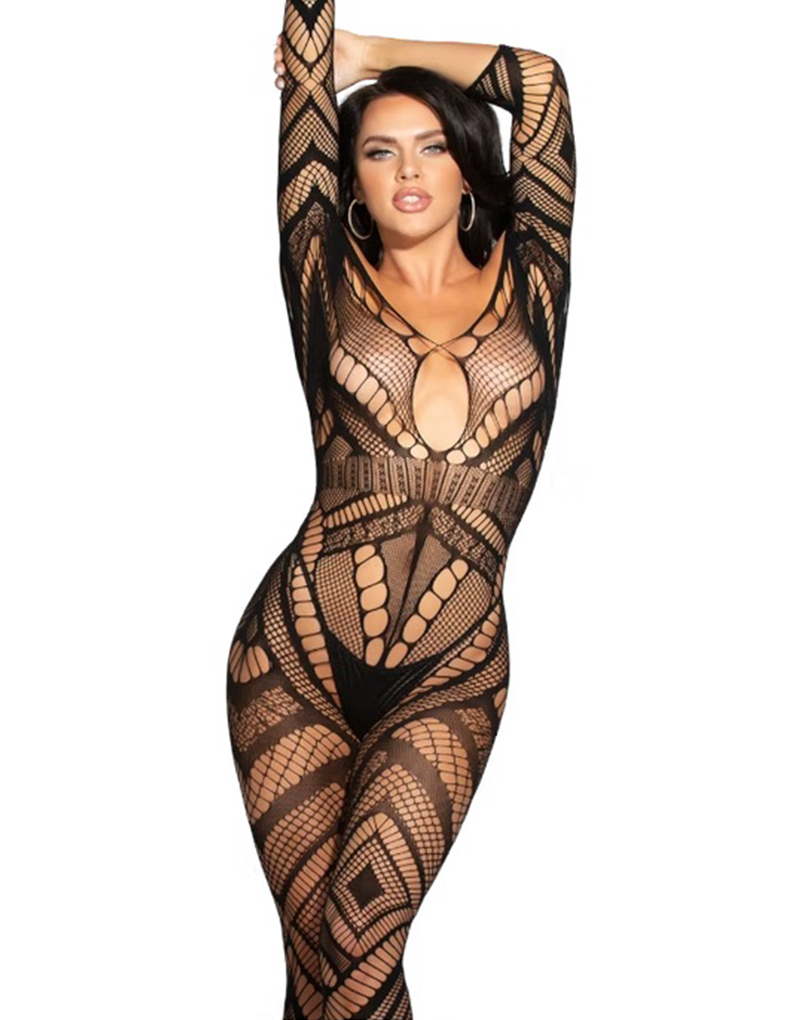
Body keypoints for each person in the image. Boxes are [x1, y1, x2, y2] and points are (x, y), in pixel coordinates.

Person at [226, 3, 576, 1017]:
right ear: (349, 182)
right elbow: (304, 52)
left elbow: (541, 84)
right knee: (317, 978)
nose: (408, 168)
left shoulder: (536, 276)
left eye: (432, 144)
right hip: (290, 659)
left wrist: (370, 57)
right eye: (378, 150)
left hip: (451, 674)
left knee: (358, 954)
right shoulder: (321, 275)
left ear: (470, 169)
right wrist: (318, 57)